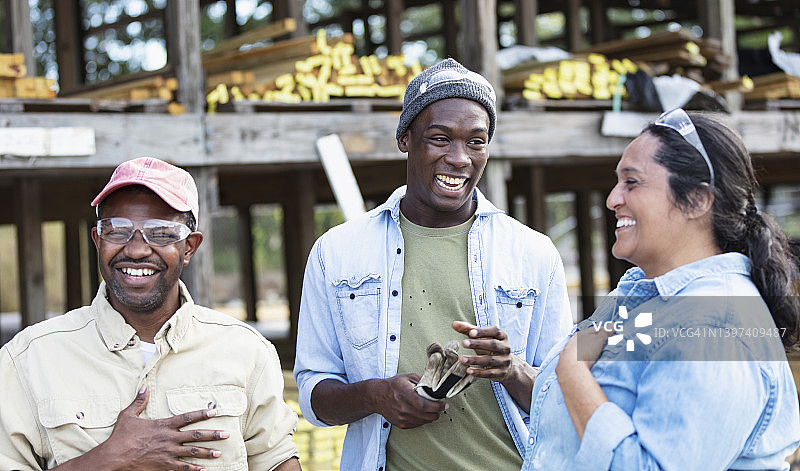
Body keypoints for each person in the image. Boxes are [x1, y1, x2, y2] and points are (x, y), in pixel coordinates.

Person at [293, 58, 573, 470]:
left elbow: (567, 401)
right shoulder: (338, 253)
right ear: (406, 138)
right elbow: (314, 396)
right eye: (440, 138)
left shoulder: (532, 253)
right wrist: (376, 396)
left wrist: (510, 369)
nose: (460, 158)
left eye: (476, 142)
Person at [523, 109, 800, 470]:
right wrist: (526, 370)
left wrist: (573, 375)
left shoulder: (715, 326)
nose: (612, 199)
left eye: (632, 182)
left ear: (698, 200)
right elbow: (602, 358)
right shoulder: (648, 300)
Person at [0, 157, 301, 471]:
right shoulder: (29, 360)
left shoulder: (246, 352)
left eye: (161, 233)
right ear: (97, 240)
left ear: (189, 248)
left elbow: (278, 463)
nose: (137, 249)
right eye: (117, 230)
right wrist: (108, 459)